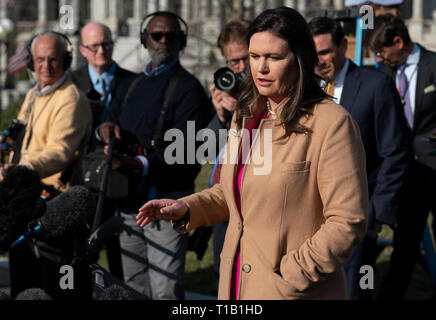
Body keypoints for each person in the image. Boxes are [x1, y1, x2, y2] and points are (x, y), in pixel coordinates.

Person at [136, 7, 368, 300]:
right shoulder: (246, 115)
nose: (261, 68)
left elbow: (347, 222)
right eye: (255, 56)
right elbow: (234, 193)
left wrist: (290, 275)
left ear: (300, 59)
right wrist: (187, 207)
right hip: (234, 290)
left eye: (273, 57)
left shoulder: (331, 123)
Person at [98, 11, 212, 299]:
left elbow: (185, 150)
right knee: (134, 288)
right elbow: (107, 119)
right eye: (156, 35)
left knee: (165, 291)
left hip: (167, 205)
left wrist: (138, 163)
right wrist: (105, 130)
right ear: (144, 39)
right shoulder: (129, 83)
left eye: (170, 36)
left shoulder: (189, 89)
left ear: (181, 41)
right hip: (129, 205)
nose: (163, 41)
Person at [308, 16, 411, 300]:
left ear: (343, 45)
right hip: (308, 215)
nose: (319, 61)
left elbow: (395, 153)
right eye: (312, 53)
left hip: (357, 215)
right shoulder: (304, 90)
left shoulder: (375, 86)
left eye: (325, 52)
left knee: (354, 290)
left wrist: (376, 213)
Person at [0, 31, 92, 299]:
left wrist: (23, 170)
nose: (45, 66)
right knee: (22, 279)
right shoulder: (33, 95)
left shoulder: (70, 98)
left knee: (54, 285)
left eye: (53, 60)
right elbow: (19, 140)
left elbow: (61, 151)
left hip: (53, 205)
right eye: (40, 59)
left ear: (66, 60)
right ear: (31, 62)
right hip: (23, 202)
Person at [365, 14, 436, 300]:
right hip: (405, 176)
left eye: (382, 51)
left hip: (434, 168)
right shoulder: (383, 74)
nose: (379, 57)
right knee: (404, 246)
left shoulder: (434, 65)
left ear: (398, 42)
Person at [70, 22, 136, 281]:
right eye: (94, 46)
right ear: (83, 49)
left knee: (121, 264)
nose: (101, 51)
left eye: (106, 44)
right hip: (83, 182)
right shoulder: (71, 84)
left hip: (120, 181)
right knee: (83, 259)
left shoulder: (131, 81)